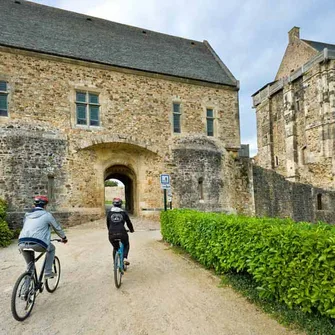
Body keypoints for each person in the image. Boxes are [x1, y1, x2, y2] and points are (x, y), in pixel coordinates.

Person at [18, 195, 67, 278]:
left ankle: (26, 288)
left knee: (30, 268)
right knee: (51, 249)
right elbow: (57, 228)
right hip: (38, 243)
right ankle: (48, 272)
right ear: (45, 206)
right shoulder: (47, 215)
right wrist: (64, 238)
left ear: (34, 205)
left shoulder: (27, 215)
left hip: (22, 242)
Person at [107, 197, 134, 265]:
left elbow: (108, 224)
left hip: (111, 234)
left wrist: (110, 231)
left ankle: (115, 264)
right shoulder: (123, 213)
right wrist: (131, 230)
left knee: (115, 248)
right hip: (122, 233)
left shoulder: (109, 213)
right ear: (121, 204)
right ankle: (124, 258)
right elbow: (128, 223)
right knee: (126, 244)